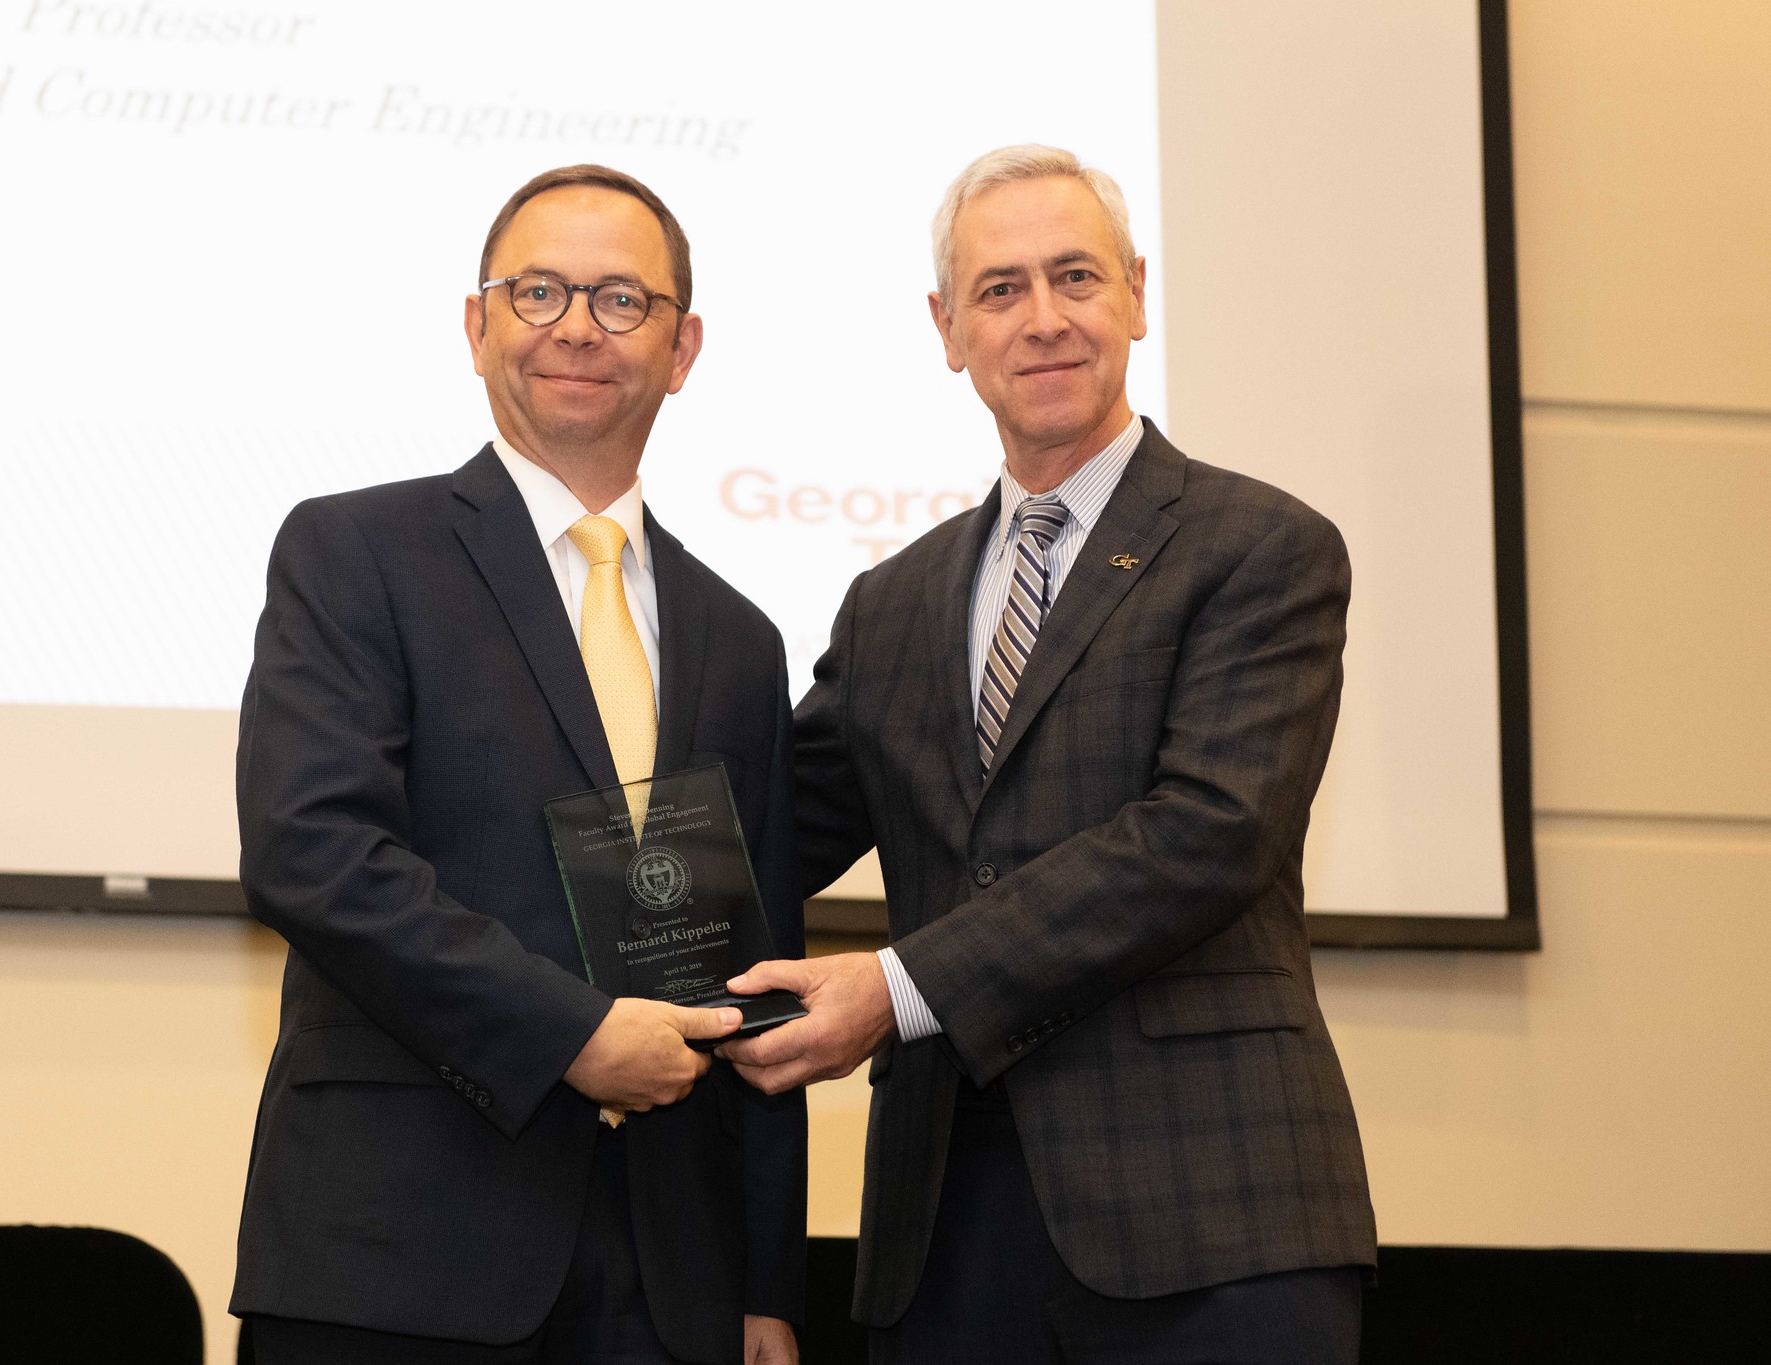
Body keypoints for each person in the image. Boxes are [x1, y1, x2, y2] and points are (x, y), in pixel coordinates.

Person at [720, 145, 1377, 1362]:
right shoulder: (890, 605)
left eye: (1073, 277)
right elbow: (757, 836)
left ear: (1133, 291)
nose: (1043, 320)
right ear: (947, 327)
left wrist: (896, 988)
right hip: (946, 1234)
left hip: (1211, 1220)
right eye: (1000, 289)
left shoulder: (1260, 547)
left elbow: (1205, 835)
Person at [231, 165, 805, 1365]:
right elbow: (312, 854)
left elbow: (756, 958)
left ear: (683, 344)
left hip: (667, 1282)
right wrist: (571, 1033)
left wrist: (764, 1286)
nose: (575, 329)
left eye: (620, 299)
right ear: (476, 324)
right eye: (537, 291)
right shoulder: (354, 553)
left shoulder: (738, 638)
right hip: (399, 1251)